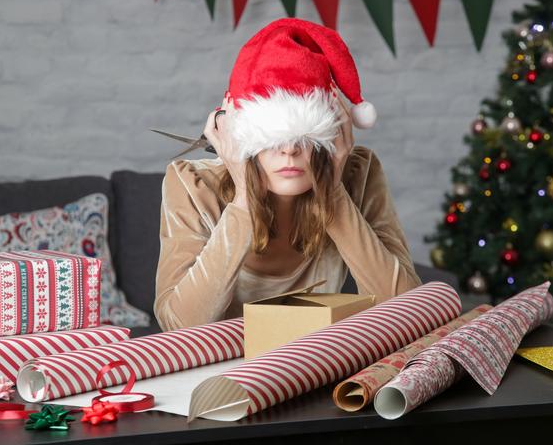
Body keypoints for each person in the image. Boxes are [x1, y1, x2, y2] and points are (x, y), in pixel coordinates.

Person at [154, 18, 422, 332]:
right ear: (244, 136)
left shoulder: (357, 173)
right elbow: (178, 325)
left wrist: (332, 191)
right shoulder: (192, 184)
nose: (290, 150)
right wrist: (242, 199)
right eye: (270, 136)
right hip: (225, 372)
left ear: (330, 135)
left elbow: (407, 311)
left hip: (315, 367)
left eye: (306, 134)